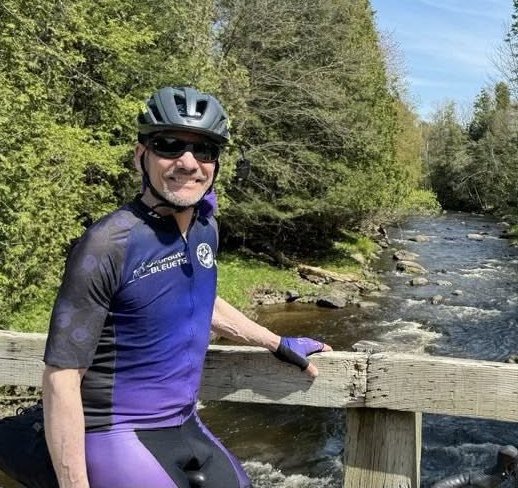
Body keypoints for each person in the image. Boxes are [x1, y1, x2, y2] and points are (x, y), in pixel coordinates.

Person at [41, 86, 331, 488]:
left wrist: (275, 341)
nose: (188, 162)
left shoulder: (204, 228)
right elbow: (61, 375)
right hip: (117, 432)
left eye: (205, 150)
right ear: (140, 154)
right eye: (169, 145)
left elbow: (197, 299)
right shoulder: (108, 244)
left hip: (185, 422)